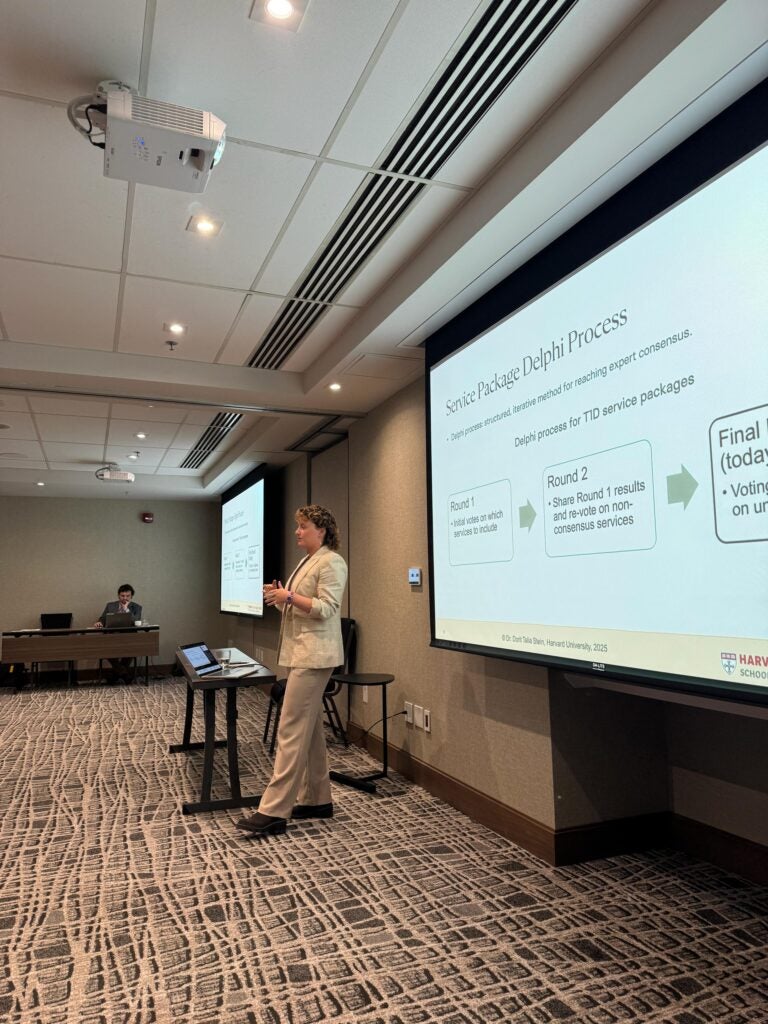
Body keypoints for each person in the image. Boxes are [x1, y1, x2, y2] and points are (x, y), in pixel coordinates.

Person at [236, 504, 348, 838]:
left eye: (303, 526)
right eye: (297, 526)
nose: (297, 532)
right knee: (309, 727)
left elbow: (327, 608)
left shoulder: (332, 561)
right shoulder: (307, 561)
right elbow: (300, 600)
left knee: (289, 729)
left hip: (316, 657)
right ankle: (317, 799)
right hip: (303, 653)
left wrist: (290, 596)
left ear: (322, 530)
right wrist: (281, 595)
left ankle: (273, 810)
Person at [94, 584, 143, 682]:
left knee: (131, 648)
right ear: (118, 595)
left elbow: (136, 621)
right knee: (105, 648)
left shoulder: (137, 607)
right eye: (122, 596)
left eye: (127, 596)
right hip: (112, 635)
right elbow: (103, 618)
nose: (125, 598)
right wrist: (99, 622)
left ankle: (115, 675)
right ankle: (124, 674)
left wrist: (126, 609)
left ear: (131, 596)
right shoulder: (110, 605)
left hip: (129, 636)